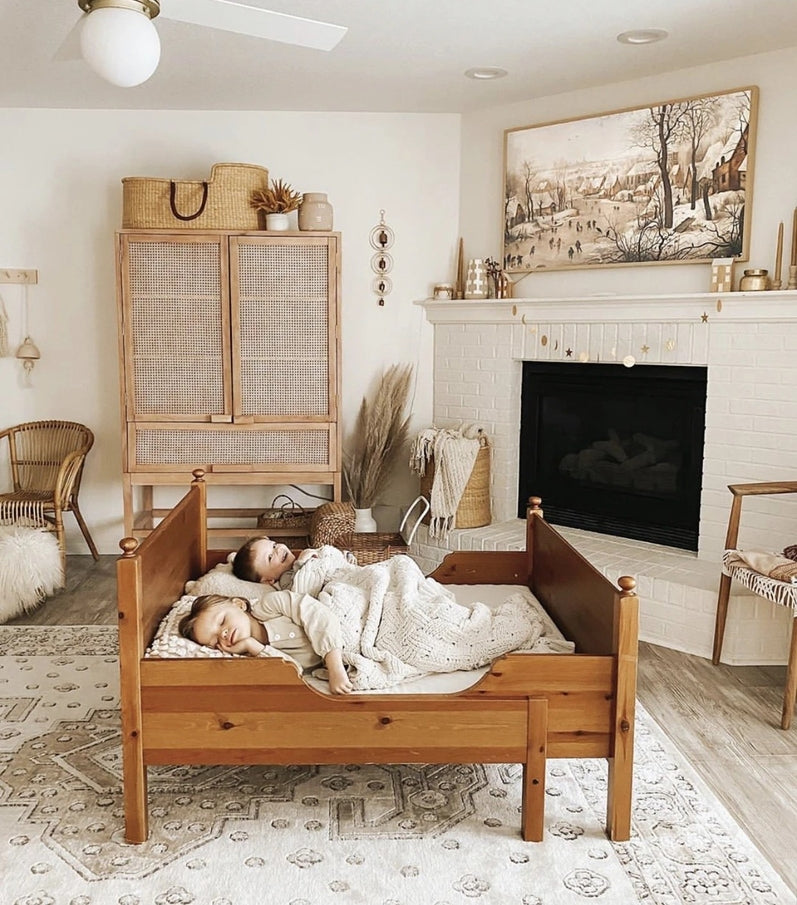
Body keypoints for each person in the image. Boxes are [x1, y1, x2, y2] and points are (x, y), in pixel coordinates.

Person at [178, 591, 353, 694]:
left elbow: (319, 615)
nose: (223, 634)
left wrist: (335, 668)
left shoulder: (271, 604)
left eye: (222, 621)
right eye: (216, 640)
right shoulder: (252, 657)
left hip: (344, 622)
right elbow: (293, 673)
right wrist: (253, 646)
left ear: (239, 605)